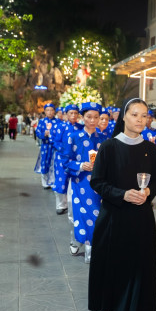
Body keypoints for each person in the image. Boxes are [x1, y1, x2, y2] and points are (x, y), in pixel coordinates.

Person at [89, 98, 156, 311]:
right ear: (124, 116)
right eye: (134, 114)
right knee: (114, 264)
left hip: (141, 217)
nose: (140, 120)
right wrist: (122, 194)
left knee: (141, 267)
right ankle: (108, 306)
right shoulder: (109, 147)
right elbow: (97, 181)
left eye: (144, 115)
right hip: (114, 216)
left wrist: (148, 192)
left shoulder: (150, 149)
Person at [65, 103, 104, 263]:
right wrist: (80, 166)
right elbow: (65, 161)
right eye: (89, 117)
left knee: (96, 214)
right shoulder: (74, 137)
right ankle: (78, 242)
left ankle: (89, 247)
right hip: (79, 183)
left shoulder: (103, 139)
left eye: (96, 117)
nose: (93, 120)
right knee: (79, 215)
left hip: (98, 185)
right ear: (82, 117)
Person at [52, 105, 82, 220]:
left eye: (75, 113)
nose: (73, 115)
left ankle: (73, 204)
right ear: (66, 114)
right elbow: (56, 141)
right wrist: (65, 151)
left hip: (76, 159)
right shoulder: (61, 126)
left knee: (75, 180)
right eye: (71, 113)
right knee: (61, 180)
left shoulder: (81, 127)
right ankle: (61, 205)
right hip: (62, 159)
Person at [34, 103, 58, 189]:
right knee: (44, 162)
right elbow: (37, 133)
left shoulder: (58, 122)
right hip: (45, 146)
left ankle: (53, 182)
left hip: (55, 147)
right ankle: (45, 182)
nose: (50, 112)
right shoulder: (42, 121)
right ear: (45, 111)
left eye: (51, 110)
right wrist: (44, 134)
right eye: (48, 110)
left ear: (54, 111)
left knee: (54, 163)